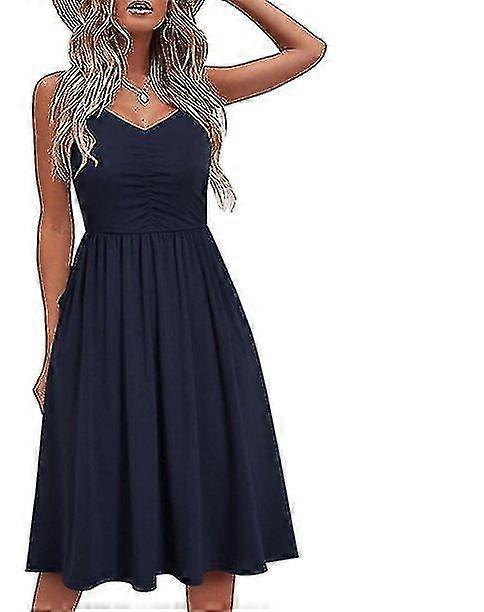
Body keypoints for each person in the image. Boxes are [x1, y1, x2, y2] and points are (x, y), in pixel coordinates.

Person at [26, 0, 325, 609]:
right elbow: (55, 225)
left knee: (211, 516)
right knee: (78, 520)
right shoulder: (58, 95)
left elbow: (307, 50)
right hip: (102, 320)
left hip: (198, 318)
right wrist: (54, 346)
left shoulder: (200, 89)